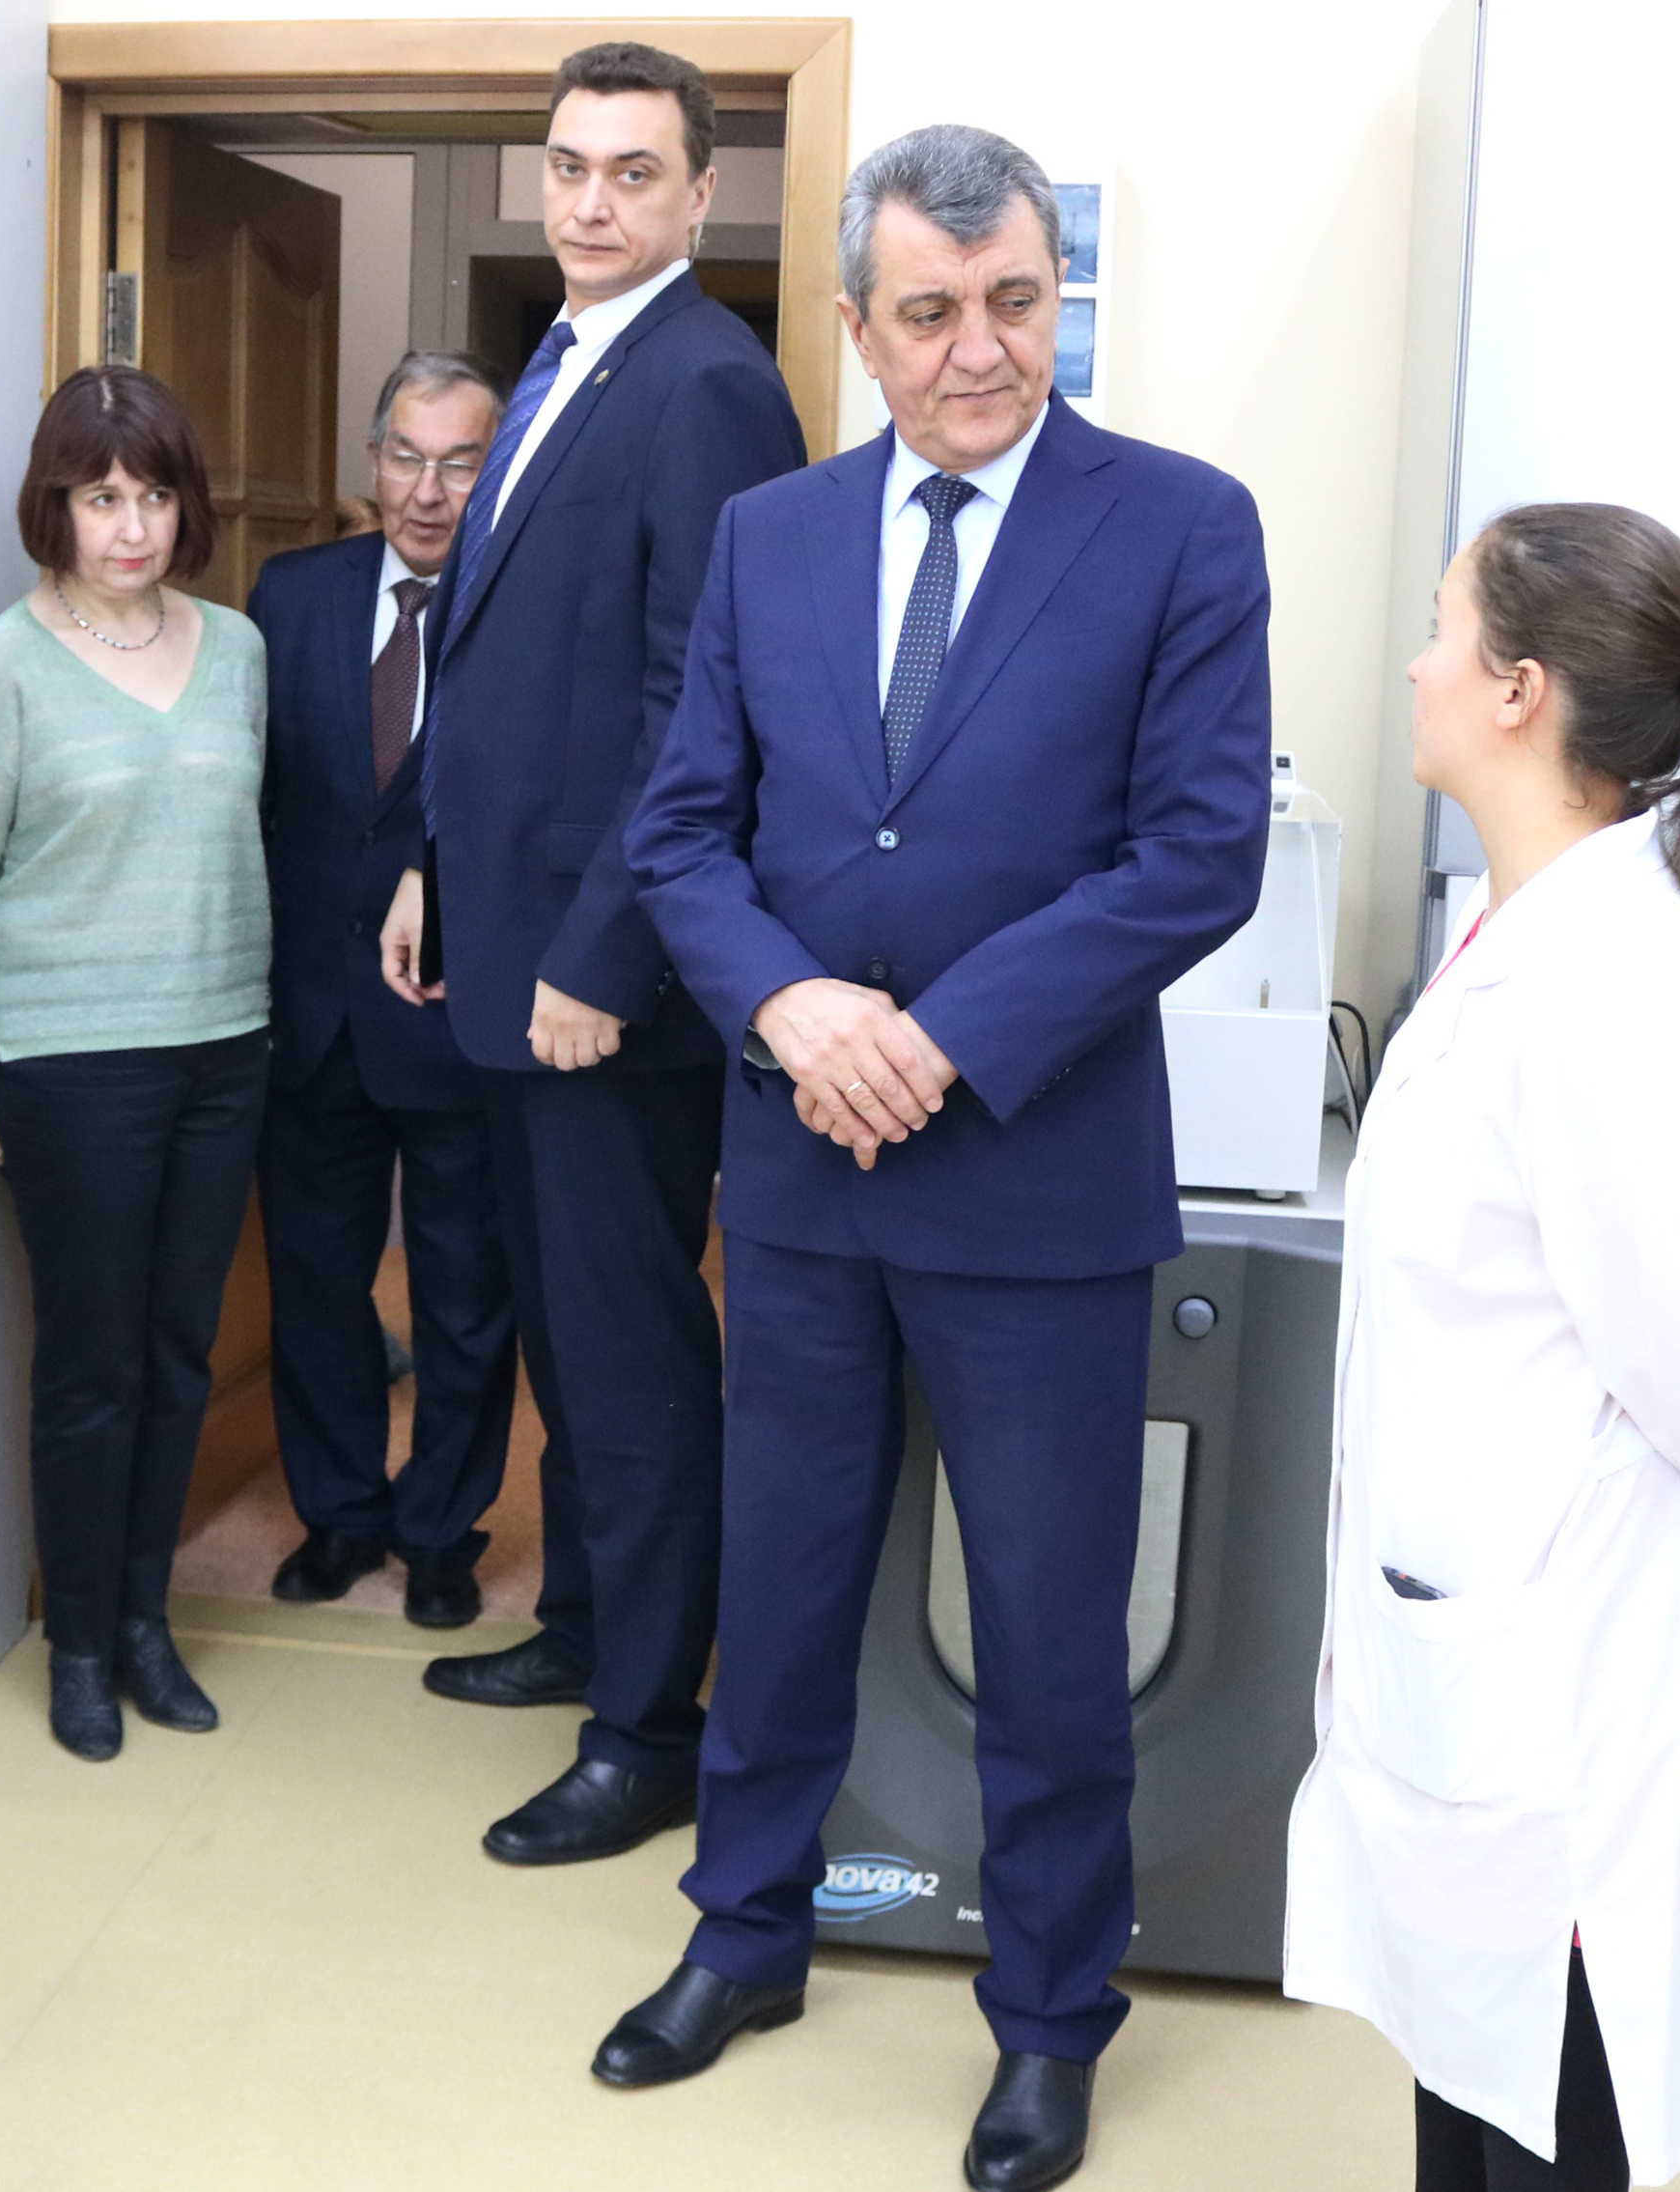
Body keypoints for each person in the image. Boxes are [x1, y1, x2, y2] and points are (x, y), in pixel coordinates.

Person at [613, 126, 1274, 2191]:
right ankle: (744, 1935)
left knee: (1052, 1631)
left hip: (1036, 1181)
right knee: (781, 1583)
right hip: (803, 1170)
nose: (977, 349)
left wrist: (940, 1037)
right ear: (855, 321)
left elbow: (1197, 853)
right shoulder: (771, 536)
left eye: (1014, 303)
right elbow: (679, 832)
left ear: (1054, 294)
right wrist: (792, 1009)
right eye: (930, 311)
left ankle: (1050, 2018)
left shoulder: (1179, 525)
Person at [1282, 503, 1680, 2192]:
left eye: (1441, 627)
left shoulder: (1607, 973)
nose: (1415, 663)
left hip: (1553, 1636)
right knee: (1474, 2084)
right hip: (1469, 1604)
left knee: (1546, 2097)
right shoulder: (1523, 926)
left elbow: (1673, 1311)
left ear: (1519, 689)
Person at [373, 39, 808, 1868]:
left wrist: (602, 957)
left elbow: (691, 710)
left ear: (699, 193)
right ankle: (583, 1628)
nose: (592, 200)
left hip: (600, 986)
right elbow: (489, 665)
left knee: (630, 1360)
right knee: (562, 1330)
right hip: (504, 937)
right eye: (568, 165)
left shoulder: (706, 383)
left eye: (634, 171)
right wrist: (430, 867)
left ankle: (651, 1731)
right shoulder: (559, 357)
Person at [0, 366, 272, 1761]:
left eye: (155, 496)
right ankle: (74, 1642)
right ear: (54, 507)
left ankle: (143, 1622)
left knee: (181, 1353)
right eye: (101, 497)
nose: (131, 527)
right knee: (90, 1365)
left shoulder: (235, 649)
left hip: (222, 1045)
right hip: (68, 1063)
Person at [248, 351, 518, 1628]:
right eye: (407, 457)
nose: (428, 489)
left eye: (461, 463)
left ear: (496, 472)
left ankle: (442, 1529)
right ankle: (340, 1513)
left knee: (464, 1296)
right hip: (310, 1012)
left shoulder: (523, 603)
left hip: (457, 1011)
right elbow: (257, 799)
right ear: (371, 462)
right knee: (316, 1286)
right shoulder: (289, 596)